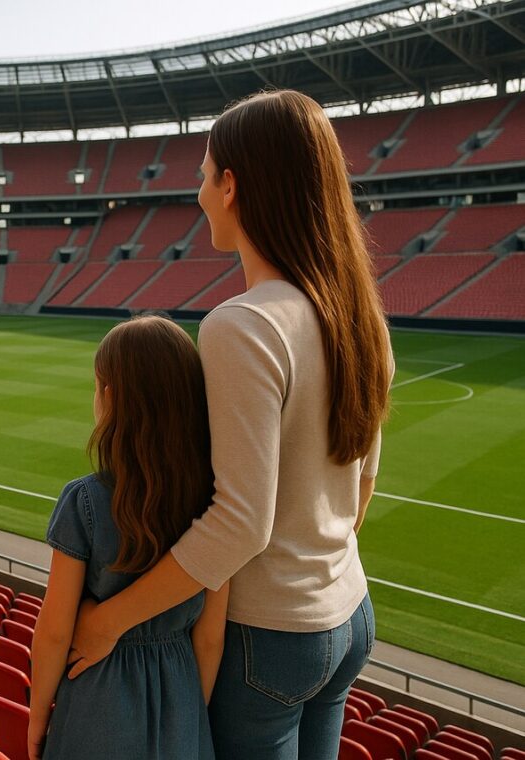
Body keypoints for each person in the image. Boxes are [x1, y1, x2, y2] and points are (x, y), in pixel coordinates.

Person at [67, 89, 393, 760]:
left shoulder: (242, 325)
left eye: (203, 174)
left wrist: (109, 622)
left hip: (267, 638)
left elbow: (242, 524)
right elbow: (363, 484)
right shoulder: (356, 314)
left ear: (233, 184)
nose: (197, 195)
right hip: (348, 612)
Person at [26, 316, 228, 760]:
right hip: (180, 695)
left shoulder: (84, 500)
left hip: (95, 696)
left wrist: (38, 718)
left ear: (111, 396)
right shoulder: (216, 504)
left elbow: (55, 632)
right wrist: (192, 712)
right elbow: (210, 637)